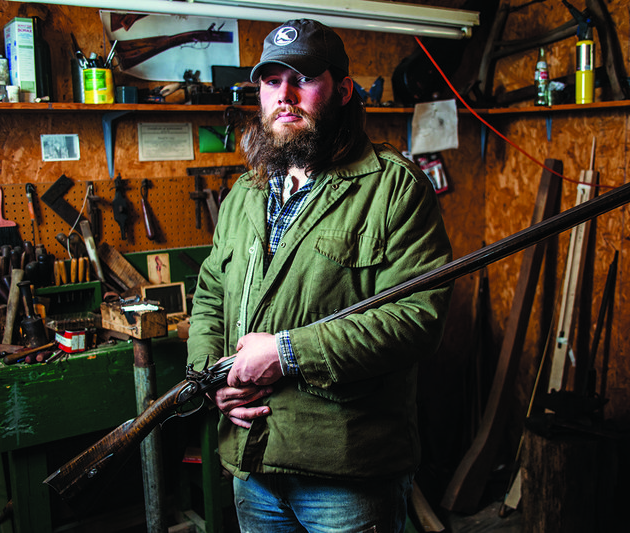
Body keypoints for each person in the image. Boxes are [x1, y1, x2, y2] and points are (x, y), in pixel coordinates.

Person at [187, 19, 453, 533]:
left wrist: (287, 353)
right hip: (252, 463)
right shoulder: (245, 193)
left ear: (344, 89)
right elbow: (211, 294)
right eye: (270, 81)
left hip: (346, 473)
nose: (283, 95)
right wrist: (208, 380)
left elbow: (418, 319)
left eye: (303, 78)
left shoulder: (393, 188)